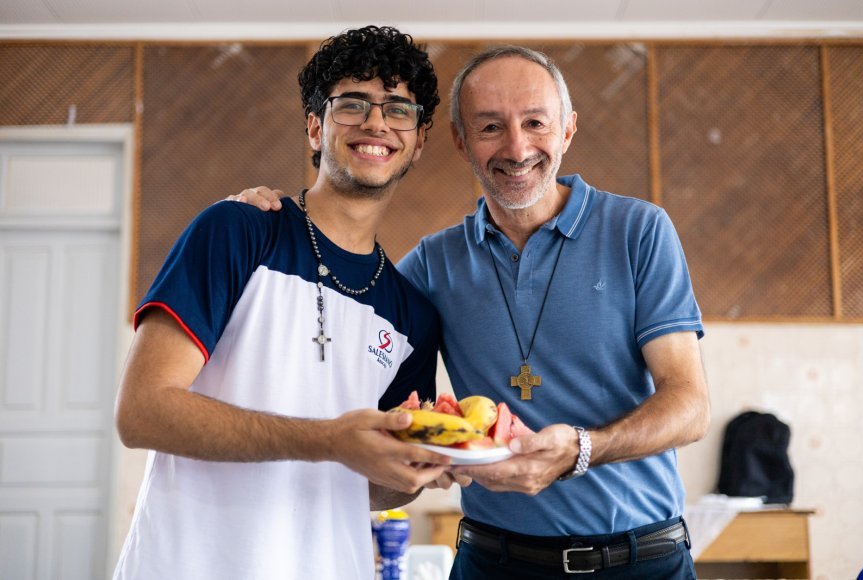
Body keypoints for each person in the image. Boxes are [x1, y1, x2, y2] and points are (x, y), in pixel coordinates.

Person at [236, 45, 710, 579]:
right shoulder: (430, 266)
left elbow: (689, 406)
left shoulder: (640, 231)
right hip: (491, 562)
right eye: (490, 128)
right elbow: (331, 307)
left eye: (535, 123)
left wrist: (581, 449)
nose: (517, 147)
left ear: (568, 130)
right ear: (461, 141)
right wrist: (276, 226)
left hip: (641, 560)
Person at [113, 26, 453, 579]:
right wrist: (328, 440)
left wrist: (418, 467)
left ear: (418, 140)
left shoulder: (413, 314)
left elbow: (370, 485)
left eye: (398, 110)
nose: (376, 123)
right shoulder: (239, 231)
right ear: (315, 127)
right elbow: (141, 412)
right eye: (352, 104)